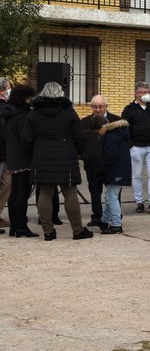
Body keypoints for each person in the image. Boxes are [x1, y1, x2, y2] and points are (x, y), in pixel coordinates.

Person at [21, 82, 93, 241]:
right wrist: (80, 152)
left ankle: (48, 231)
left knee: (45, 193)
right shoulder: (69, 112)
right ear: (61, 93)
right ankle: (77, 230)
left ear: (43, 93)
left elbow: (26, 139)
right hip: (66, 156)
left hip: (41, 156)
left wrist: (35, 150)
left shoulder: (34, 113)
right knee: (70, 192)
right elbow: (80, 137)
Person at [121, 82, 150, 214]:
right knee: (137, 175)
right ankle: (139, 202)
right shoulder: (129, 109)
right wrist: (130, 144)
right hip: (136, 147)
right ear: (136, 93)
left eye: (147, 92)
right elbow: (124, 127)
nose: (145, 94)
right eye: (142, 92)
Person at [80, 95, 120, 229]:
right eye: (95, 107)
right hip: (93, 164)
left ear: (106, 106)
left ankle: (115, 216)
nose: (98, 110)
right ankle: (97, 217)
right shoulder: (85, 122)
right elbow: (80, 142)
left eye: (101, 106)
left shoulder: (116, 120)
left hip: (112, 164)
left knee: (113, 193)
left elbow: (124, 141)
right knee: (95, 191)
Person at [3, 85, 37, 237]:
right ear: (24, 98)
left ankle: (14, 226)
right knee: (22, 194)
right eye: (29, 97)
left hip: (12, 157)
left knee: (14, 193)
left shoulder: (9, 113)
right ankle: (21, 226)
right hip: (23, 158)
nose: (31, 100)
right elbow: (26, 139)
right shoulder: (23, 116)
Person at [95, 114, 131, 234]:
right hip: (120, 170)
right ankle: (105, 221)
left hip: (115, 170)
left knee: (111, 197)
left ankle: (116, 225)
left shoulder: (111, 137)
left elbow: (109, 157)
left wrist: (100, 169)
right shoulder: (120, 134)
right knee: (110, 196)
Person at [0, 76, 11, 233]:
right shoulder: (4, 110)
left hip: (5, 153)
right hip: (3, 153)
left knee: (7, 183)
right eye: (8, 87)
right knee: (6, 183)